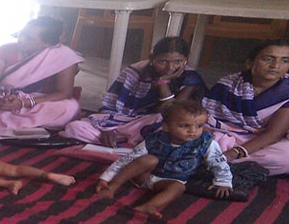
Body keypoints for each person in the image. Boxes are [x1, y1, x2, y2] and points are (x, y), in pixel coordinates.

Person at [202, 39, 289, 185]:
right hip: (225, 135)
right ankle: (228, 167)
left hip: (262, 142)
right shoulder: (229, 84)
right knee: (198, 140)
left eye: (285, 60)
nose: (275, 66)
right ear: (250, 62)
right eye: (268, 59)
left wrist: (234, 153)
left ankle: (216, 165)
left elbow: (273, 135)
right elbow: (207, 119)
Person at [96, 101, 232, 218]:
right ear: (166, 126)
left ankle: (150, 205)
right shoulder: (155, 139)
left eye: (199, 126)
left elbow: (218, 162)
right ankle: (113, 187)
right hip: (143, 176)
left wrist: (223, 181)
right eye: (184, 126)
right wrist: (106, 177)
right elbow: (128, 159)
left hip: (167, 182)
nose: (193, 131)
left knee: (179, 187)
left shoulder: (206, 143)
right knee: (149, 159)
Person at [62, 36, 207, 147]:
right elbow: (111, 105)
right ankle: (129, 145)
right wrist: (106, 128)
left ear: (185, 61)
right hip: (125, 121)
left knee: (166, 129)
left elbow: (172, 112)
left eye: (177, 62)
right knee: (74, 127)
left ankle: (127, 145)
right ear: (152, 59)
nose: (170, 68)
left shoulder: (190, 78)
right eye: (163, 61)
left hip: (153, 123)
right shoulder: (136, 71)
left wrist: (162, 82)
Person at [0, 17, 84, 133]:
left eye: (28, 38)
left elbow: (64, 93)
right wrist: (1, 101)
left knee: (69, 108)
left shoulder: (63, 56)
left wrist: (23, 103)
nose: (21, 39)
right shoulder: (4, 51)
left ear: (45, 43)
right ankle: (18, 122)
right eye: (22, 33)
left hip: (37, 102)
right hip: (2, 97)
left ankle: (2, 121)